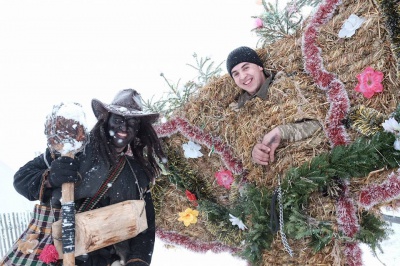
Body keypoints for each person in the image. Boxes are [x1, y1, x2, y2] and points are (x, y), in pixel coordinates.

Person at [12, 89, 166, 266]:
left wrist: (138, 260)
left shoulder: (137, 173)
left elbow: (146, 226)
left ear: (138, 129)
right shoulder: (74, 151)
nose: (124, 127)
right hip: (59, 255)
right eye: (118, 120)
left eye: (132, 122)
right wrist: (50, 178)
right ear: (106, 120)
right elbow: (20, 180)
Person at [226, 46, 321, 166]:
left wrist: (282, 132)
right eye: (236, 74)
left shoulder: (289, 86)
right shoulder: (237, 113)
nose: (243, 76)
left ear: (259, 66)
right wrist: (253, 154)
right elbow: (239, 157)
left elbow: (322, 123)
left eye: (246, 68)